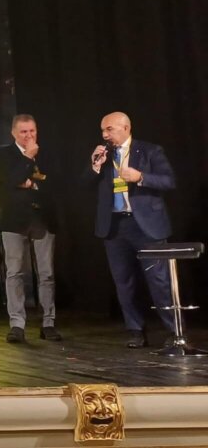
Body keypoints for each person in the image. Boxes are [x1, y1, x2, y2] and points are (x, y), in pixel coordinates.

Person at [87, 111, 176, 348]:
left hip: (146, 226)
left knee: (159, 281)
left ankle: (173, 330)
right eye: (102, 130)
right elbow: (85, 184)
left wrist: (141, 177)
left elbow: (169, 181)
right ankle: (135, 330)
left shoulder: (149, 151)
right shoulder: (103, 156)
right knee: (124, 282)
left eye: (109, 129)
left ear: (126, 128)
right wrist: (95, 167)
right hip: (115, 226)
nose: (105, 135)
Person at [0, 114, 61, 343]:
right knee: (15, 272)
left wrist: (27, 183)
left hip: (43, 219)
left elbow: (54, 184)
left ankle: (48, 322)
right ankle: (17, 324)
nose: (29, 136)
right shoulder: (3, 155)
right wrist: (28, 159)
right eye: (23, 132)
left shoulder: (47, 153)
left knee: (46, 273)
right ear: (13, 133)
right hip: (14, 221)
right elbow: (8, 182)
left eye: (32, 131)